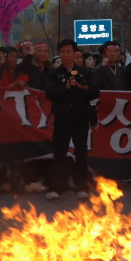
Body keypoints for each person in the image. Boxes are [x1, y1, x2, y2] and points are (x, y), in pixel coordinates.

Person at [44, 39, 100, 201]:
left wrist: (84, 87)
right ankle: (56, 187)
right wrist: (66, 87)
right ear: (59, 53)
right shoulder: (54, 74)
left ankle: (81, 186)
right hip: (62, 118)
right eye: (63, 52)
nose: (66, 55)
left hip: (81, 118)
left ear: (75, 53)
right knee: (59, 153)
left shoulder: (85, 72)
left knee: (81, 153)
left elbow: (95, 92)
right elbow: (49, 94)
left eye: (69, 52)